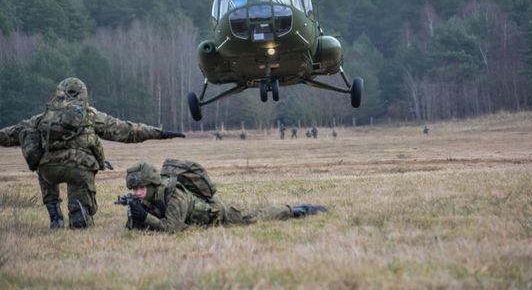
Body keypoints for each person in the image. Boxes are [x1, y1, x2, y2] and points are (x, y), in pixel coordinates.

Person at [0, 77, 185, 230]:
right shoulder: (90, 115)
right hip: (78, 168)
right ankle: (78, 214)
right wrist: (160, 133)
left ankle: (54, 213)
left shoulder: (44, 117)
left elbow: (13, 134)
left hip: (48, 169)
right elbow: (128, 131)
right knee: (80, 208)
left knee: (45, 173)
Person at [123, 162, 327, 233]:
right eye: (133, 190)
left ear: (151, 184)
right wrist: (134, 215)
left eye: (139, 188)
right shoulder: (147, 197)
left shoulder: (175, 195)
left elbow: (172, 228)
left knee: (253, 216)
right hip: (200, 216)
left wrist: (145, 217)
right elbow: (139, 225)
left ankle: (297, 210)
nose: (136, 193)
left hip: (217, 216)